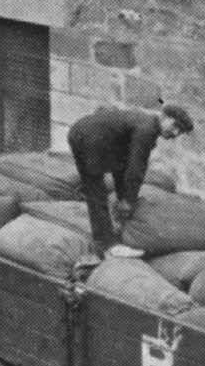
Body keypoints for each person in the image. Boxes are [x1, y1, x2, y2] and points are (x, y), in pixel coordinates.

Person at [67, 101, 194, 254]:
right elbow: (136, 168)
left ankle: (112, 231)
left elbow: (124, 165)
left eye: (179, 131)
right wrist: (128, 201)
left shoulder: (145, 123)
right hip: (90, 139)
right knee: (96, 190)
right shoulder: (146, 129)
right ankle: (106, 245)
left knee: (115, 173)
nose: (175, 133)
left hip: (84, 133)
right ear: (164, 117)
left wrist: (126, 197)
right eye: (175, 126)